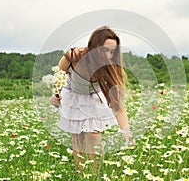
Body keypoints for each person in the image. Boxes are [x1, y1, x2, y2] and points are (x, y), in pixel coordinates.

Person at [51, 26, 132, 174]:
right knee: (78, 141)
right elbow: (59, 76)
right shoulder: (73, 56)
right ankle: (81, 174)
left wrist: (125, 130)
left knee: (94, 138)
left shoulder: (110, 68)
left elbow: (117, 104)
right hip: (73, 96)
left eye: (112, 52)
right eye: (105, 50)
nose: (108, 55)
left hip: (93, 99)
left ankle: (93, 175)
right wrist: (55, 95)